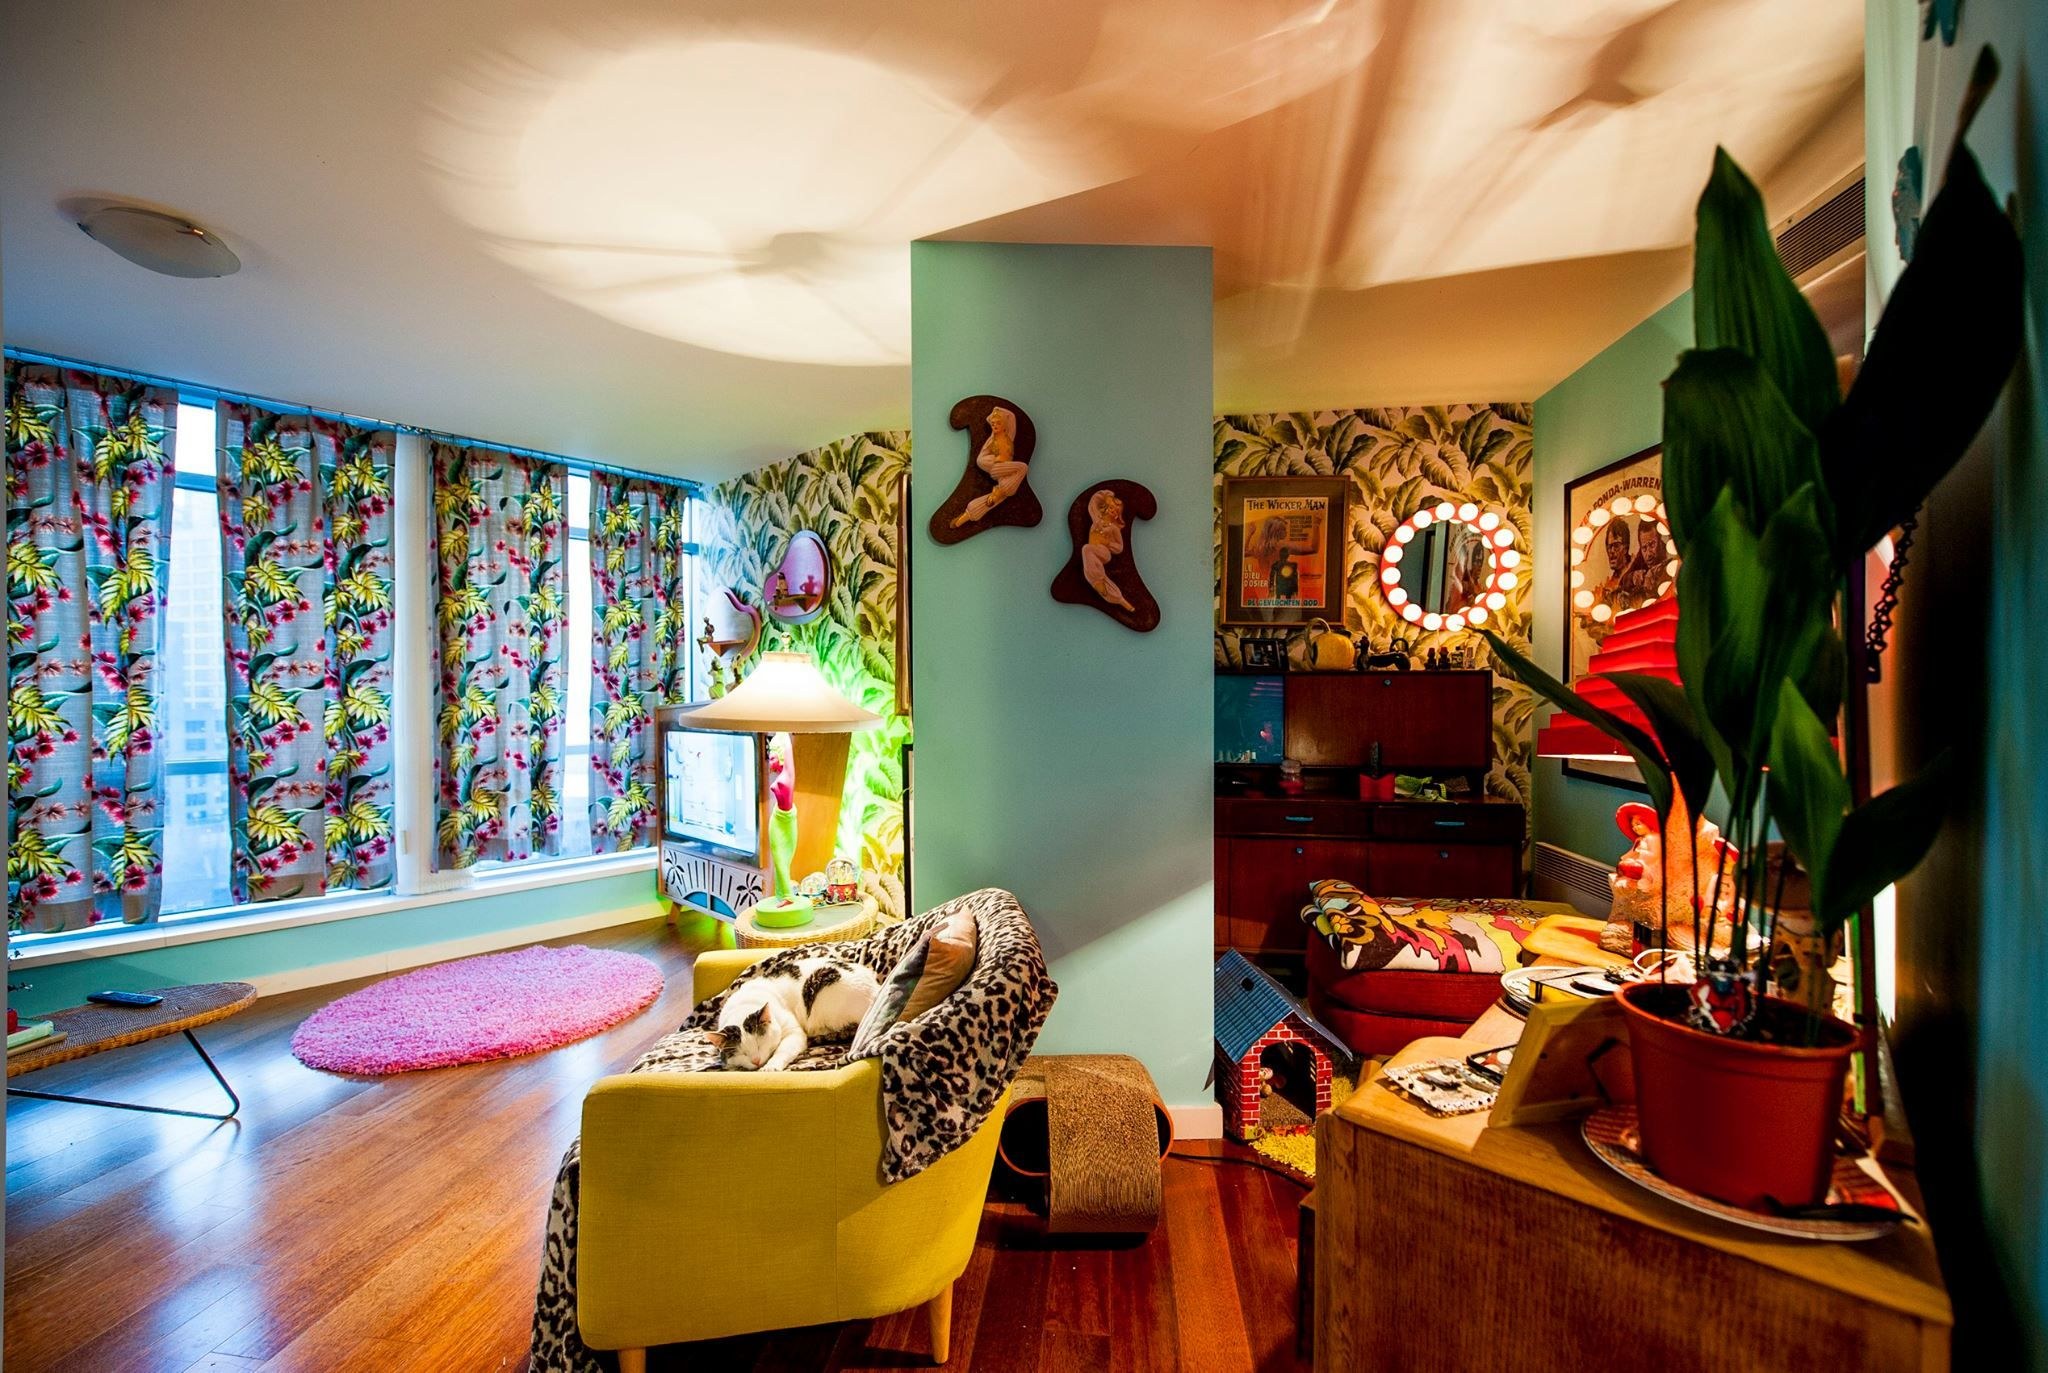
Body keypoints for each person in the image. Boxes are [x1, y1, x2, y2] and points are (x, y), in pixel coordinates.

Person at [952, 406, 1028, 526]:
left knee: (1002, 495)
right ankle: (999, 492)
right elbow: (981, 460)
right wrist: (996, 412)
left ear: (1005, 425)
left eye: (998, 423)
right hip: (993, 466)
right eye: (993, 424)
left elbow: (1011, 416)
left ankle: (967, 516)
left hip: (1004, 470)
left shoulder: (1009, 436)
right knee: (1023, 467)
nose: (995, 426)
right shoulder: (993, 440)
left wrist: (996, 410)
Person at [1081, 489, 1137, 612]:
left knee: (1086, 549)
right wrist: (1108, 496)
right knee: (1088, 557)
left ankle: (1096, 581)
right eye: (1110, 507)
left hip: (1103, 552)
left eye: (1115, 510)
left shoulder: (1113, 528)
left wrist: (1107, 543)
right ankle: (1117, 597)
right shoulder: (1096, 522)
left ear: (1116, 515)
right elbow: (1094, 502)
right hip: (1093, 556)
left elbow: (1119, 547)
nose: (1112, 511)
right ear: (1104, 508)